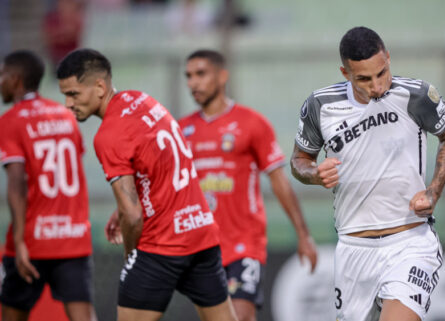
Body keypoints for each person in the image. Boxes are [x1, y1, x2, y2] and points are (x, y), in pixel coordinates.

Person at [290, 27, 445, 321]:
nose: (378, 86)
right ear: (345, 73)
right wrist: (314, 174)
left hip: (409, 242)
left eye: (382, 72)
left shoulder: (416, 95)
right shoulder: (321, 105)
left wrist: (434, 190)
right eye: (364, 79)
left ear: (388, 58)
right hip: (353, 249)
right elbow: (299, 159)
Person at [56, 48, 238, 321]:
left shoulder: (108, 135)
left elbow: (133, 216)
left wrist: (132, 257)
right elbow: (155, 166)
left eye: (73, 94)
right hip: (201, 234)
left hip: (162, 246)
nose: (68, 104)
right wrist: (124, 208)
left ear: (99, 87)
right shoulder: (142, 100)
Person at [179, 49, 318, 321]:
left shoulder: (251, 123)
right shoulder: (181, 129)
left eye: (201, 74)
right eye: (188, 76)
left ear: (222, 76)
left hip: (243, 243)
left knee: (239, 316)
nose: (193, 82)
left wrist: (303, 235)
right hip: (200, 247)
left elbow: (279, 181)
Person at [0, 50, 96, 321]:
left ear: (16, 79)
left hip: (33, 240)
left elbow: (17, 181)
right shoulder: (65, 115)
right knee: (84, 317)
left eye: (2, 75)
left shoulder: (10, 121)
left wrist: (19, 240)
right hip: (72, 236)